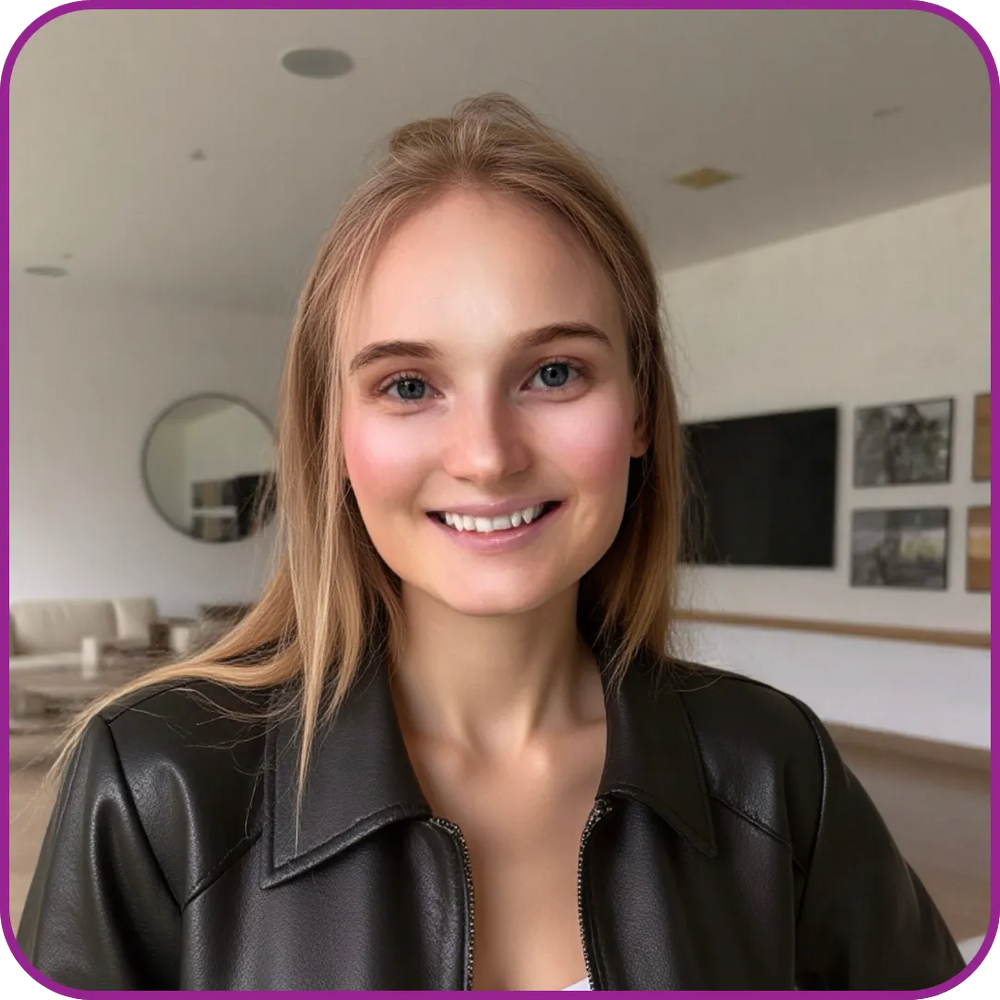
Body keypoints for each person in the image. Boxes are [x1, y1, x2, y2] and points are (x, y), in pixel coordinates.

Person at [16, 94, 966, 991]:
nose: (486, 456)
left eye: (554, 372)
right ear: (331, 434)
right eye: (407, 385)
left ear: (640, 409)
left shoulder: (771, 764)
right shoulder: (152, 788)